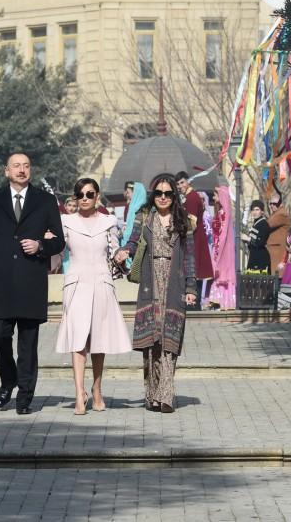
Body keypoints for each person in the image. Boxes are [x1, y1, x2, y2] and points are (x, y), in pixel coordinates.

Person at [0, 153, 65, 415]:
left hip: (30, 281)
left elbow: (59, 241)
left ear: (30, 170)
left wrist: (40, 245)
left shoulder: (45, 200)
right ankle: (8, 379)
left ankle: (25, 396)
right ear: (6, 171)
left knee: (28, 343)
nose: (21, 170)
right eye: (16, 166)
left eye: (26, 166)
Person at [114, 173, 197, 413]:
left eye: (168, 193)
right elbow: (133, 241)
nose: (163, 197)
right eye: (159, 193)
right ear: (153, 195)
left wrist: (191, 287)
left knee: (170, 340)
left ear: (174, 196)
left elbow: (190, 257)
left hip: (174, 283)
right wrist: (124, 251)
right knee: (152, 342)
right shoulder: (144, 217)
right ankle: (152, 394)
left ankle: (166, 395)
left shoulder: (184, 220)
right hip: (150, 282)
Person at [55, 178, 131, 414]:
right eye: (80, 195)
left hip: (101, 282)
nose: (85, 198)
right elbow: (57, 249)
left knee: (99, 339)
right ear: (75, 198)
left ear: (97, 196)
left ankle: (97, 388)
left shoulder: (109, 222)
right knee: (78, 339)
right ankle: (79, 393)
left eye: (89, 194)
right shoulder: (66, 222)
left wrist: (120, 255)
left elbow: (114, 248)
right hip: (76, 284)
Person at [176, 172, 214, 309]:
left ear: (188, 182)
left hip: (194, 239)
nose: (180, 186)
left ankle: (193, 307)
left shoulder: (191, 197)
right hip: (194, 238)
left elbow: (191, 222)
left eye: (182, 182)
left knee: (193, 270)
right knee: (193, 271)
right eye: (178, 184)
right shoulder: (188, 197)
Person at [208, 186, 236, 310]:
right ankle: (219, 300)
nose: (214, 198)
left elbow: (223, 234)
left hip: (222, 248)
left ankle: (225, 302)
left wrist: (218, 249)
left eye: (215, 195)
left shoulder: (225, 214)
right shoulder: (220, 212)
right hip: (217, 246)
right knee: (218, 273)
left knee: (223, 272)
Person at [243, 200, 271, 273]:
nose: (254, 212)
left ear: (262, 211)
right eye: (253, 210)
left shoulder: (264, 224)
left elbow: (260, 242)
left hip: (261, 259)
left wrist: (248, 239)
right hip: (254, 257)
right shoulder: (256, 223)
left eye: (257, 209)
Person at [265, 197, 290, 276]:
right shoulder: (276, 213)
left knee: (276, 276)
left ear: (280, 204)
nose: (272, 205)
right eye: (270, 204)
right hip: (273, 248)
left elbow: (268, 225)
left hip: (277, 249)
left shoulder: (281, 214)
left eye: (274, 204)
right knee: (273, 275)